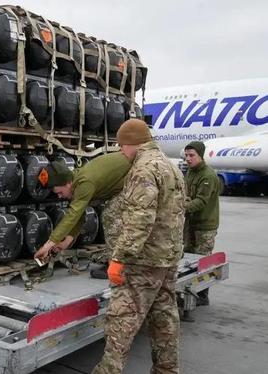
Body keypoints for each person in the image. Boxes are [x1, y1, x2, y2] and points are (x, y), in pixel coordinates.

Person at [92, 119, 186, 374]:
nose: (121, 152)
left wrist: (119, 257)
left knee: (121, 320)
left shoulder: (144, 169)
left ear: (130, 144)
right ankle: (166, 370)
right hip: (167, 257)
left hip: (143, 261)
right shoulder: (172, 166)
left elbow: (140, 219)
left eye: (121, 147)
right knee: (164, 317)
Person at [33, 152, 132, 279]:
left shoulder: (84, 183)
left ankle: (118, 267)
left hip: (135, 180)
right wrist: (66, 242)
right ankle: (117, 263)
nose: (59, 196)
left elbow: (73, 215)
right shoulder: (77, 182)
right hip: (124, 185)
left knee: (111, 217)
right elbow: (79, 215)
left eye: (59, 192)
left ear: (68, 183)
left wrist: (48, 245)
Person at [183, 141, 220, 309]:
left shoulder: (208, 175)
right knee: (189, 259)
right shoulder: (191, 172)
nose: (188, 159)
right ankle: (190, 292)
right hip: (191, 223)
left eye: (192, 156)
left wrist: (180, 207)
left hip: (205, 226)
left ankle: (203, 295)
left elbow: (201, 201)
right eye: (186, 155)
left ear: (200, 156)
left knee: (203, 261)